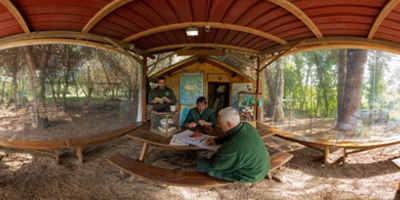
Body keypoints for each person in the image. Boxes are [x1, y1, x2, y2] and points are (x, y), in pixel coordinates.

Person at [196, 107, 270, 183]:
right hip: (263, 165)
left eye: (220, 124)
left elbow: (216, 165)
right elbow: (232, 136)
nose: (220, 127)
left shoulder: (232, 146)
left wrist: (202, 161)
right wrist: (216, 141)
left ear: (229, 124)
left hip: (251, 175)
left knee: (205, 166)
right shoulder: (247, 126)